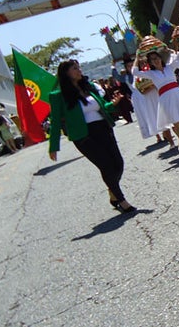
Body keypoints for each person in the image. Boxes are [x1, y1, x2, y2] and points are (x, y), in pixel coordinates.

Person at [48, 60, 136, 213]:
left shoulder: (88, 88)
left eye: (79, 67)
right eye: (75, 68)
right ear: (66, 73)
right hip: (84, 136)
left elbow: (102, 106)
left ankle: (113, 191)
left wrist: (113, 103)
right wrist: (54, 146)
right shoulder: (58, 96)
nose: (79, 70)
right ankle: (121, 200)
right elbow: (55, 122)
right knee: (106, 166)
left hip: (103, 129)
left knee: (118, 164)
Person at [131, 37, 179, 154]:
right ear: (149, 62)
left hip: (178, 94)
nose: (155, 61)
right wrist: (137, 57)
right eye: (152, 60)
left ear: (160, 58)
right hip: (166, 98)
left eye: (156, 58)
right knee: (178, 124)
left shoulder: (170, 67)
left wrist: (168, 49)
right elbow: (134, 72)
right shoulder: (151, 73)